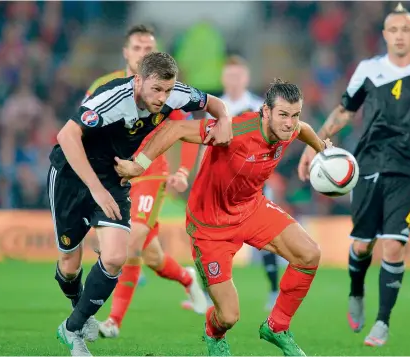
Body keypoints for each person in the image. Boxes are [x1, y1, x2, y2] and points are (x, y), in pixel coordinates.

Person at [114, 79, 332, 356]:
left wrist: (321, 147)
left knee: (310, 254)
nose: (290, 123)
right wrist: (138, 165)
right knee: (228, 316)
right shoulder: (236, 130)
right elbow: (176, 127)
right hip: (209, 225)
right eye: (283, 115)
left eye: (295, 114)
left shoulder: (289, 129)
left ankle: (277, 327)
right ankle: (213, 333)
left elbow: (304, 130)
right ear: (266, 111)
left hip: (251, 209)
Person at [49, 51, 232, 356]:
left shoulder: (174, 95)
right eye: (156, 90)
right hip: (71, 175)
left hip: (114, 176)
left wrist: (224, 118)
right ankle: (81, 308)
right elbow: (66, 135)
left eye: (168, 90)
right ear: (138, 81)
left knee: (117, 256)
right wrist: (95, 189)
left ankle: (72, 328)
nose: (162, 98)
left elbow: (215, 104)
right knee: (69, 266)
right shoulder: (112, 99)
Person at [298, 3, 410, 347]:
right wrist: (314, 145)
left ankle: (382, 322)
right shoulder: (368, 70)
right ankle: (356, 291)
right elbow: (344, 112)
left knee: (395, 246)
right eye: (394, 30)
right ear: (385, 35)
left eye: (406, 30)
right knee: (361, 245)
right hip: (367, 165)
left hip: (405, 170)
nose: (400, 35)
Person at [82, 24, 208, 340]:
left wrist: (182, 172)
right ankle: (187, 278)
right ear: (126, 52)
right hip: (116, 174)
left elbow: (188, 128)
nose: (142, 53)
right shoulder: (105, 85)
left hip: (150, 170)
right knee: (151, 255)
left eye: (148, 49)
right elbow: (85, 125)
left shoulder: (164, 89)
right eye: (137, 48)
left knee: (131, 241)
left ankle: (111, 321)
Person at [183, 55, 280, 312]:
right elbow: (206, 144)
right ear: (223, 78)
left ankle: (273, 290)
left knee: (266, 237)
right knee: (210, 240)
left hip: (253, 185)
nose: (234, 80)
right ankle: (205, 294)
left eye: (239, 75)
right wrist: (198, 177)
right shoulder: (217, 107)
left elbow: (273, 143)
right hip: (219, 188)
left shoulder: (259, 106)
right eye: (230, 75)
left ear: (246, 77)